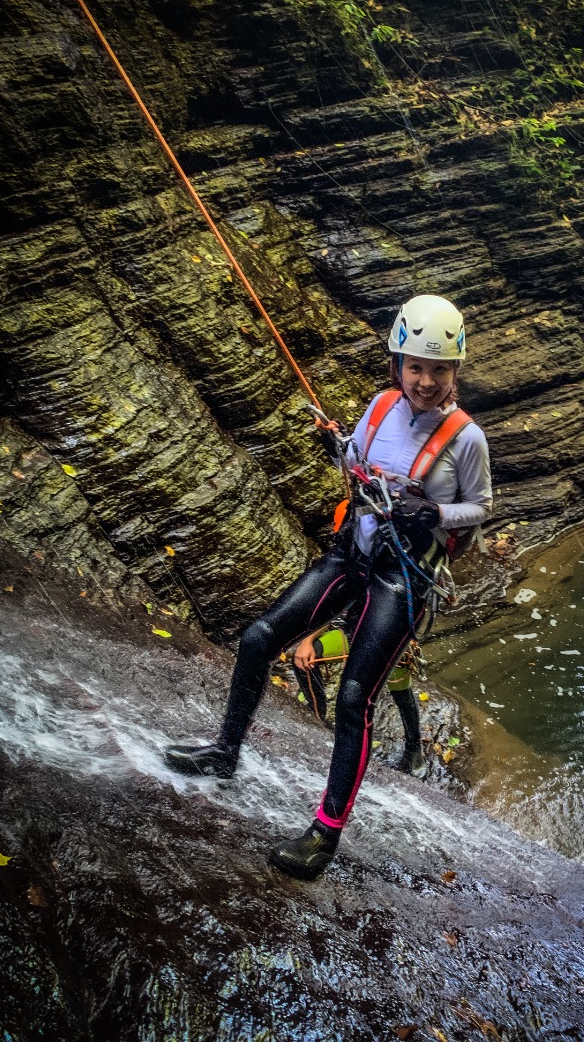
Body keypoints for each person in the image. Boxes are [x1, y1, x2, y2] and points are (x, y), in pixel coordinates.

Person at [164, 294, 492, 879]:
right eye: (415, 366)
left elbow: (481, 506)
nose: (425, 380)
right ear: (398, 364)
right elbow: (359, 460)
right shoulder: (382, 404)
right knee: (259, 637)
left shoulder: (467, 439)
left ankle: (324, 834)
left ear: (455, 372)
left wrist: (436, 517)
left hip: (402, 578)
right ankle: (223, 752)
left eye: (438, 369)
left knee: (353, 697)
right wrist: (338, 447)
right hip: (354, 554)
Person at [292, 621, 428, 779]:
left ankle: (414, 747)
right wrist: (307, 641)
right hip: (352, 635)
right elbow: (333, 608)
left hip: (391, 641)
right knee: (303, 661)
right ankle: (318, 717)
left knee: (403, 696)